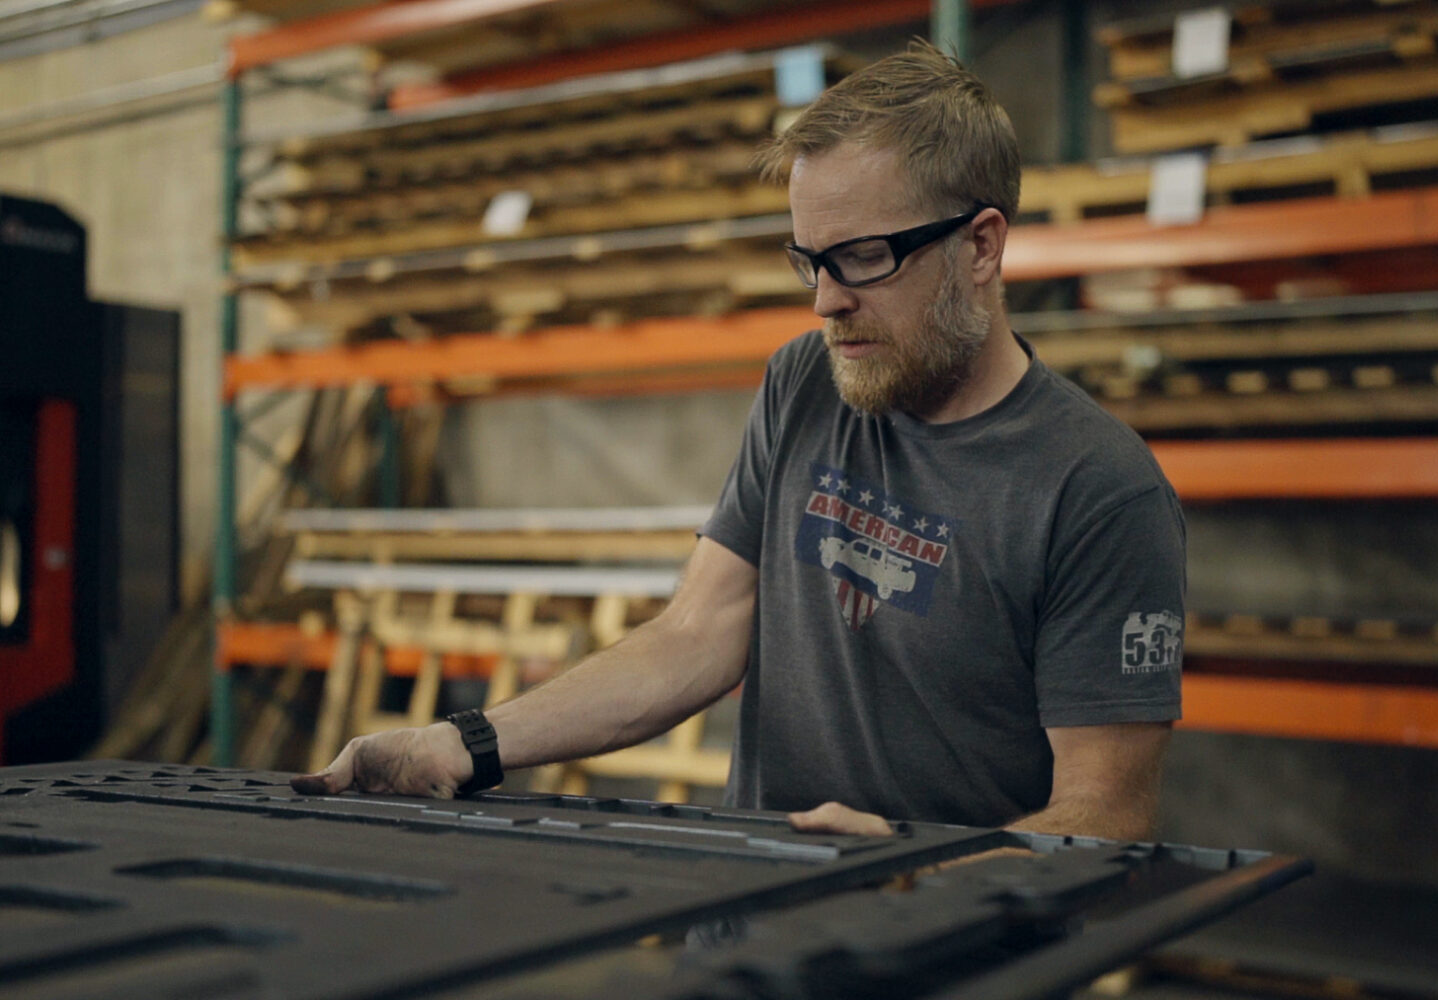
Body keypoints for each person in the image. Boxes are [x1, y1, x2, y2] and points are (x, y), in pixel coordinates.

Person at [292, 40, 1185, 842]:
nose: (825, 300)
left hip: (952, 947)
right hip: (753, 921)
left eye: (864, 257)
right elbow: (699, 631)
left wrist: (919, 866)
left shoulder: (1098, 489)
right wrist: (463, 744)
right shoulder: (808, 382)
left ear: (982, 247)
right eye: (809, 259)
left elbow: (1106, 810)